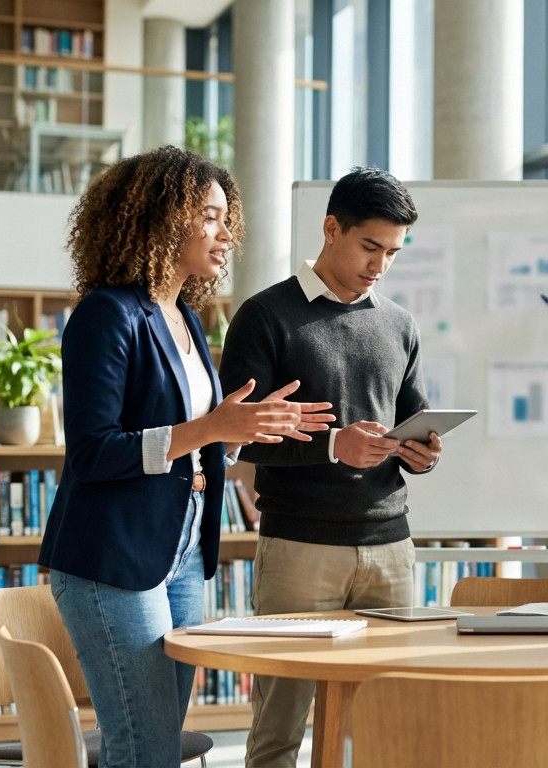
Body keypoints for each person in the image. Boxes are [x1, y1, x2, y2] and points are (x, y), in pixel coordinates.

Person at [39, 146, 335, 768]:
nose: (226, 234)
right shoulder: (106, 314)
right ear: (159, 217)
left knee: (160, 744)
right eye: (208, 216)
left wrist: (245, 430)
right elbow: (93, 452)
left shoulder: (184, 317)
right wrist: (209, 426)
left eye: (228, 218)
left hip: (179, 553)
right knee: (143, 747)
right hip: (113, 555)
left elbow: (195, 439)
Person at [218, 166, 443, 768]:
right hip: (299, 547)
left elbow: (410, 419)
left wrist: (420, 452)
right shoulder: (265, 316)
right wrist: (329, 446)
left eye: (393, 253)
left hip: (391, 547)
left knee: (387, 724)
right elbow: (236, 441)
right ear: (330, 228)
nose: (380, 265)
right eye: (370, 246)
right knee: (279, 728)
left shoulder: (400, 325)